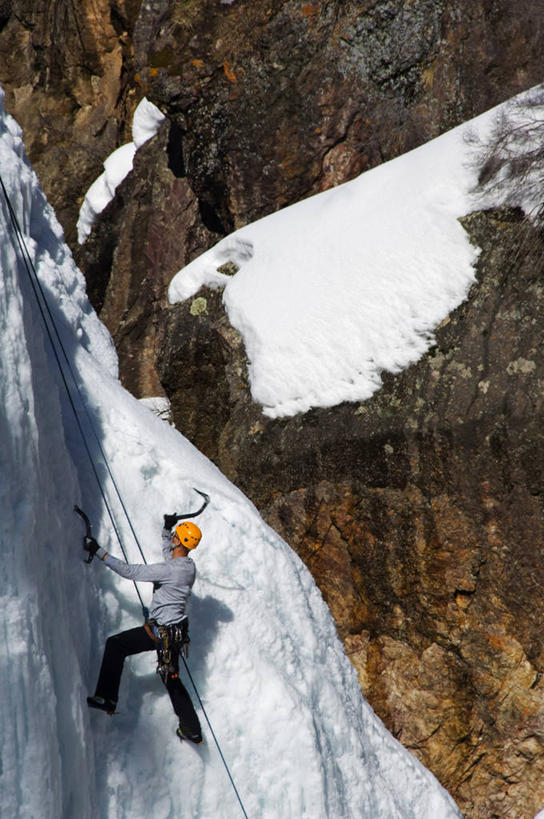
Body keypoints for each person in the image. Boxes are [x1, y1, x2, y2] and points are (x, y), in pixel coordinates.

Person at [85, 515, 203, 744]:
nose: (173, 539)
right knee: (169, 677)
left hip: (164, 633)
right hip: (172, 632)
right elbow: (171, 557)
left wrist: (99, 551)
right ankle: (191, 729)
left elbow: (130, 572)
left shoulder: (171, 570)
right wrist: (167, 530)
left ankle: (107, 698)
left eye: (176, 537)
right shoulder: (187, 566)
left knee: (118, 647)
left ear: (180, 542)